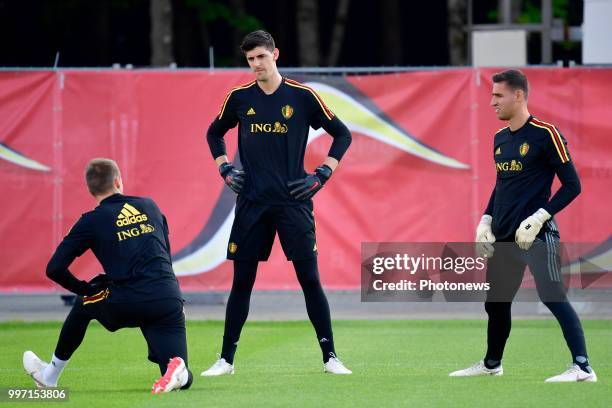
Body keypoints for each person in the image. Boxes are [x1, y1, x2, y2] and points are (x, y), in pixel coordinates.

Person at [201, 30, 352, 376]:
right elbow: (214, 133)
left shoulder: (302, 96)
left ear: (275, 55)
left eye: (261, 57)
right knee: (242, 282)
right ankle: (226, 360)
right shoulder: (239, 98)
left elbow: (342, 134)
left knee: (309, 280)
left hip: (293, 203)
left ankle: (331, 358)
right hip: (252, 202)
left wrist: (322, 175)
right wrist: (224, 167)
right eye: (250, 59)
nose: (256, 64)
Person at [450, 69, 596, 382]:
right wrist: (486, 219)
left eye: (498, 95)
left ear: (518, 96)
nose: (492, 102)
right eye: (491, 95)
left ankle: (583, 367)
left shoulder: (546, 133)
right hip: (504, 238)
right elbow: (502, 184)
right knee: (496, 303)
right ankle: (492, 364)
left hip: (537, 236)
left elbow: (572, 185)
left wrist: (540, 216)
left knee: (552, 294)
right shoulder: (500, 139)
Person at [22, 158, 193, 393]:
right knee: (179, 370)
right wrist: (174, 295)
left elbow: (54, 268)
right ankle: (178, 371)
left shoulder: (91, 220)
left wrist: (85, 289)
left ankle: (49, 376)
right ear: (117, 181)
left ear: (90, 189)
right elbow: (165, 253)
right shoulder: (150, 206)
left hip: (128, 300)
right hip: (168, 299)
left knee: (84, 303)